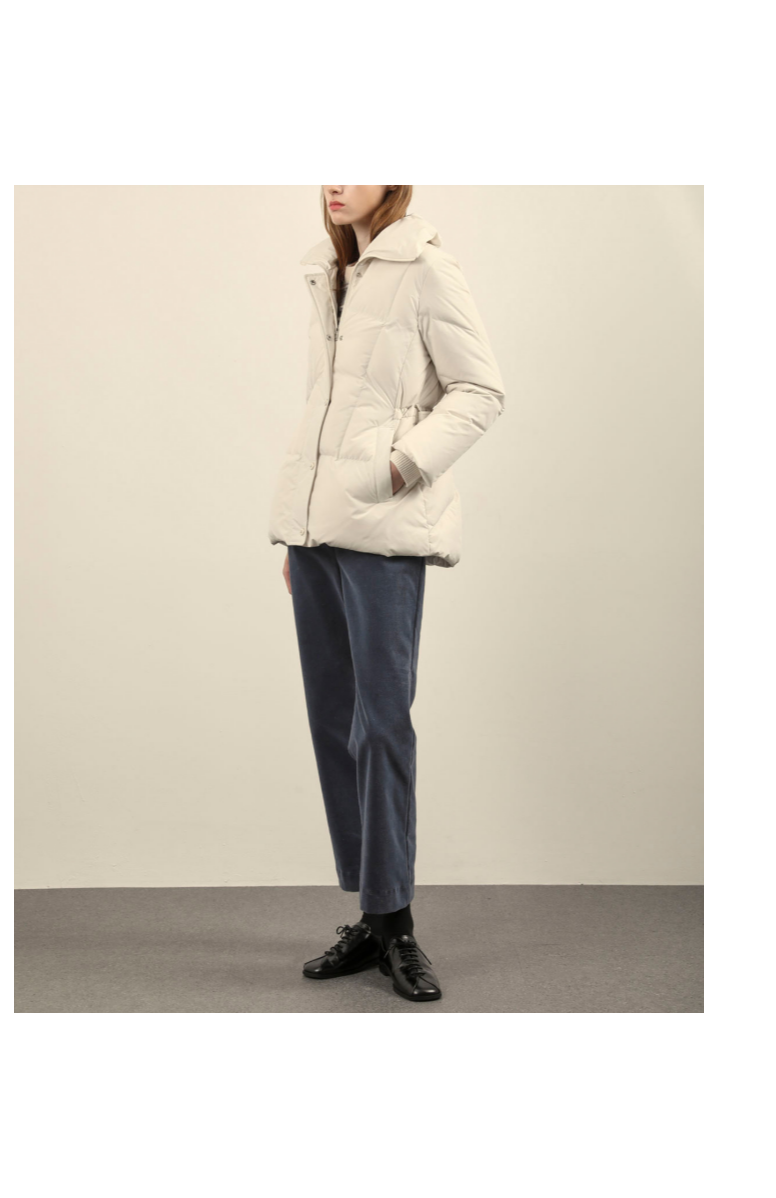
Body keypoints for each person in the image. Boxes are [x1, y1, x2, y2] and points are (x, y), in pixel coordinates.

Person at [268, 186, 504, 1002]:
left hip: (384, 532)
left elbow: (481, 391)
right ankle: (371, 916)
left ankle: (397, 925)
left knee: (382, 726)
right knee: (335, 723)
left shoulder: (424, 266)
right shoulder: (331, 272)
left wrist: (399, 468)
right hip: (318, 536)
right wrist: (301, 528)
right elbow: (326, 411)